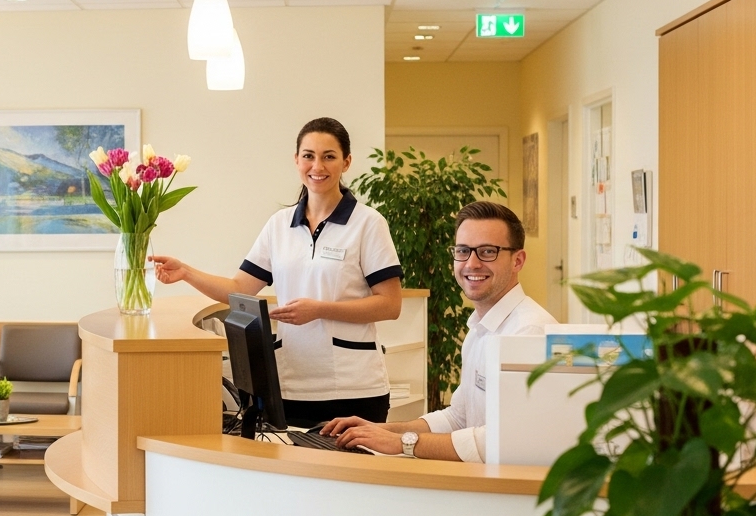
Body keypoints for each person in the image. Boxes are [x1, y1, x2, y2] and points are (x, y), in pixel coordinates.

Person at [150, 117, 403, 424]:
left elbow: (390, 304)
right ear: (296, 160)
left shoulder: (368, 223)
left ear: (346, 162)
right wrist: (187, 272)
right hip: (292, 385)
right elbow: (240, 289)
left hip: (354, 387)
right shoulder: (279, 225)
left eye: (329, 156)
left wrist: (320, 310)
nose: (317, 166)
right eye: (308, 156)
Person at [321, 201, 557, 461]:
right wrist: (380, 429)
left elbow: (505, 440)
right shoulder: (480, 329)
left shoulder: (530, 332)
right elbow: (458, 417)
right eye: (463, 251)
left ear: (517, 261)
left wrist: (401, 443)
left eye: (488, 252)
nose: (472, 263)